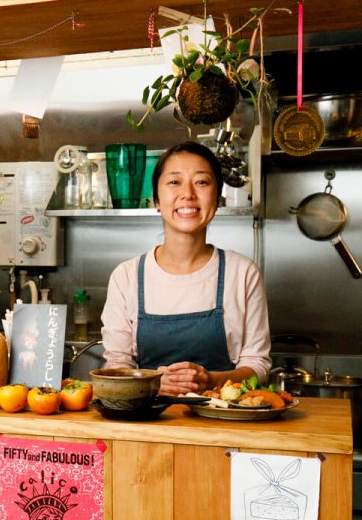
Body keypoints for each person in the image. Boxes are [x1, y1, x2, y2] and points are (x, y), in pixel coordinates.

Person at [101, 141, 271, 395]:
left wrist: (211, 380)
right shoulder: (126, 277)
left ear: (217, 197)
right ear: (157, 200)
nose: (188, 194)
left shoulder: (243, 272)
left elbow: (258, 367)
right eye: (174, 182)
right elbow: (117, 367)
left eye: (202, 182)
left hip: (225, 426)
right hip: (146, 424)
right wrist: (154, 383)